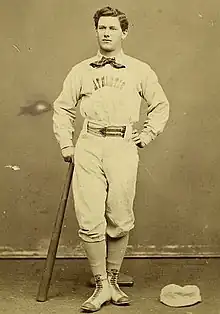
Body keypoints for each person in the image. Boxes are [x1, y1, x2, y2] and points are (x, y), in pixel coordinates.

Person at [52, 6, 169, 312]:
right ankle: (101, 284)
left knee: (119, 217)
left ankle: (113, 279)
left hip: (123, 146)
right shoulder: (81, 70)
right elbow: (63, 108)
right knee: (90, 219)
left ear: (124, 33)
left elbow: (160, 105)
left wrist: (146, 136)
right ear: (96, 32)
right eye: (101, 28)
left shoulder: (140, 70)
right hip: (89, 144)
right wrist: (67, 144)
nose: (106, 33)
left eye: (112, 28)